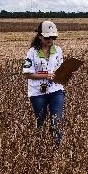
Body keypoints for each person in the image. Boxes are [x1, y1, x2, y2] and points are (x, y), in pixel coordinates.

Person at [22, 20, 66, 148]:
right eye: (47, 37)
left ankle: (56, 149)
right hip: (37, 93)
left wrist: (65, 73)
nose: (50, 39)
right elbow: (26, 74)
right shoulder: (32, 52)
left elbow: (60, 69)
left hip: (56, 91)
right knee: (40, 121)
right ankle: (40, 147)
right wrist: (46, 76)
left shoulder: (58, 51)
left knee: (56, 121)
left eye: (53, 37)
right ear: (40, 36)